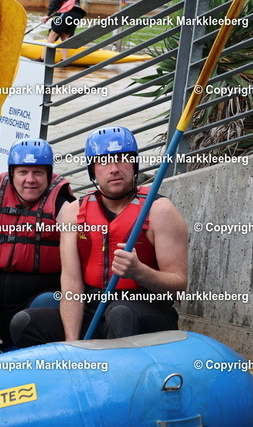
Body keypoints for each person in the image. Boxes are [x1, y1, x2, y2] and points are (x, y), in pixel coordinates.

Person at [11, 126, 188, 347]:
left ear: (134, 165)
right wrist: (73, 345)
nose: (114, 169)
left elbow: (179, 286)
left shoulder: (160, 210)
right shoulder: (74, 212)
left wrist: (139, 272)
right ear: (92, 170)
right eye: (104, 162)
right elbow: (72, 283)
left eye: (122, 160)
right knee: (25, 322)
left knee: (120, 313)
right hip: (93, 309)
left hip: (145, 310)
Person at [0, 139, 75, 349]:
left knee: (39, 309)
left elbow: (74, 274)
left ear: (49, 175)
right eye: (23, 172)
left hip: (37, 303)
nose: (30, 180)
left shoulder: (64, 208)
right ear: (12, 173)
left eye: (38, 173)